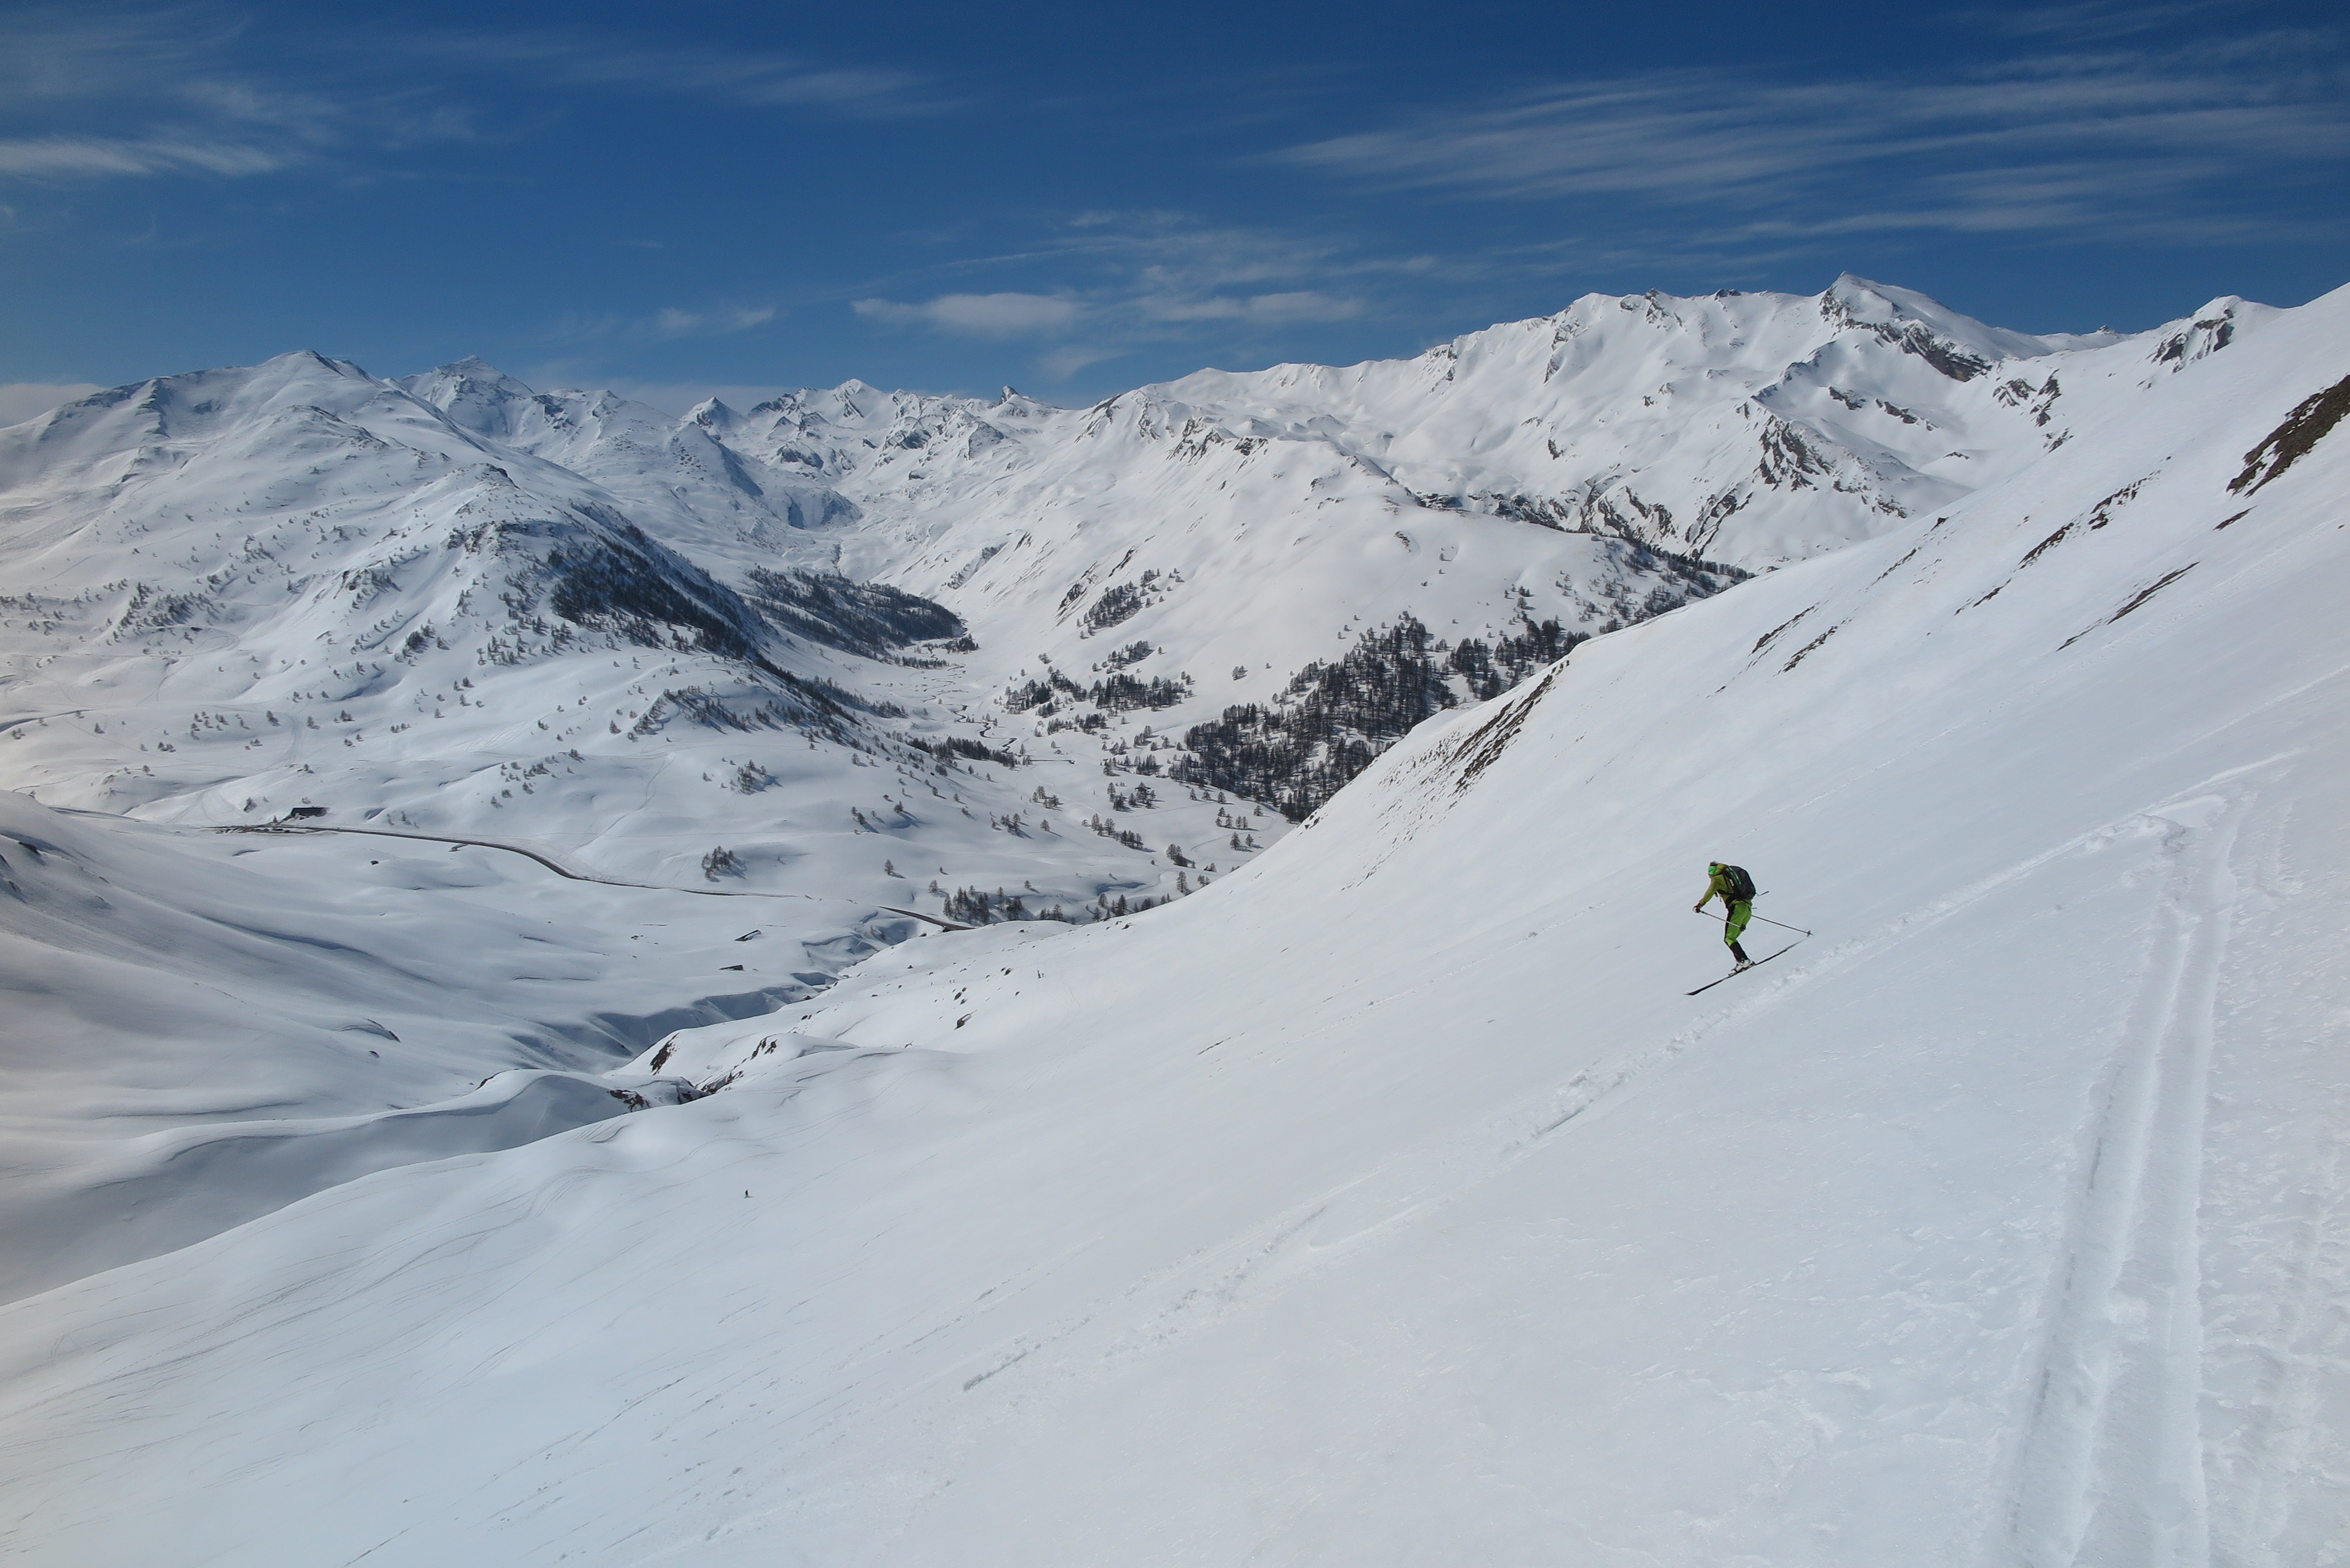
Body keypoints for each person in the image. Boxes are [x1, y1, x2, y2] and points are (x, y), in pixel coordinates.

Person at [1694, 861, 1754, 968]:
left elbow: (1710, 892)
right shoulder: (1730, 875)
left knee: (1729, 939)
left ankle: (1743, 961)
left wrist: (1700, 905)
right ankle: (1742, 961)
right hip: (1747, 909)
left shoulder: (1717, 879)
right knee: (1732, 938)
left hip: (1737, 909)